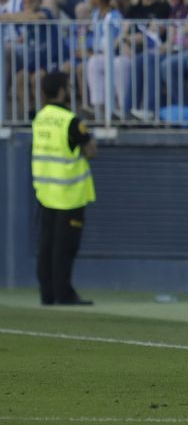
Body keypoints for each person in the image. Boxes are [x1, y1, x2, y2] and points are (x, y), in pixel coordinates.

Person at [32, 71, 96, 306]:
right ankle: (64, 294)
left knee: (46, 246)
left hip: (46, 192)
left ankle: (47, 294)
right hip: (69, 194)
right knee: (65, 248)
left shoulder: (40, 118)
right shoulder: (71, 121)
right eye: (68, 86)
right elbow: (90, 151)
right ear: (61, 90)